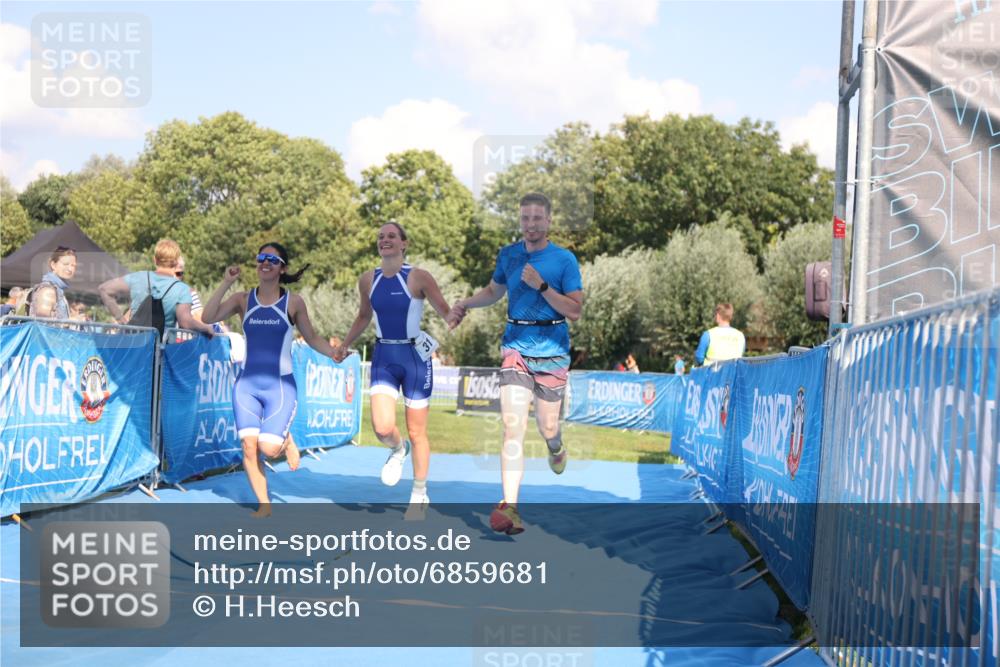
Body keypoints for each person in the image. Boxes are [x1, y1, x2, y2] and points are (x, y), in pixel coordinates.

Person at [448, 193, 583, 535]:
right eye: (525, 218)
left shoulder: (564, 260)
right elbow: (494, 291)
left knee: (547, 427)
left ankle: (556, 446)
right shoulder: (508, 255)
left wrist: (542, 286)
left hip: (553, 348)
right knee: (512, 427)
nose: (530, 224)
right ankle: (510, 506)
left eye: (537, 218)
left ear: (548, 221)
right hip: (515, 348)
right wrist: (465, 303)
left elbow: (574, 310)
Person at [202, 242, 338, 518]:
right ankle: (264, 503)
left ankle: (286, 441)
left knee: (269, 448)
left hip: (280, 386)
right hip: (247, 386)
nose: (265, 263)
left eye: (273, 260)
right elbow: (207, 316)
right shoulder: (242, 300)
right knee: (248, 448)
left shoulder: (293, 303)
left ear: (282, 269)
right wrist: (226, 283)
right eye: (261, 257)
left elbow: (312, 337)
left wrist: (334, 353)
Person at [334, 222, 452, 512]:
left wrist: (458, 314)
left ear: (404, 243)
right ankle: (398, 450)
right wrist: (345, 344)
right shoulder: (367, 280)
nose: (384, 240)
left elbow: (445, 311)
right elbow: (364, 316)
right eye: (380, 237)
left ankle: (419, 494)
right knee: (382, 427)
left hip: (415, 358)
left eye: (391, 236)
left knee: (417, 431)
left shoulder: (418, 277)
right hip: (384, 355)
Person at [98, 239, 214, 336]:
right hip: (161, 350)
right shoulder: (182, 289)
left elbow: (104, 289)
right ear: (176, 262)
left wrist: (122, 321)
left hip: (133, 345)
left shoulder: (138, 277)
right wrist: (206, 328)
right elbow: (185, 322)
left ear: (155, 259)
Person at [39, 246, 76, 319]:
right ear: (53, 265)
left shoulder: (58, 289)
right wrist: (71, 322)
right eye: (65, 264)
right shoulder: (47, 290)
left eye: (73, 265)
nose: (70, 269)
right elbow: (42, 322)